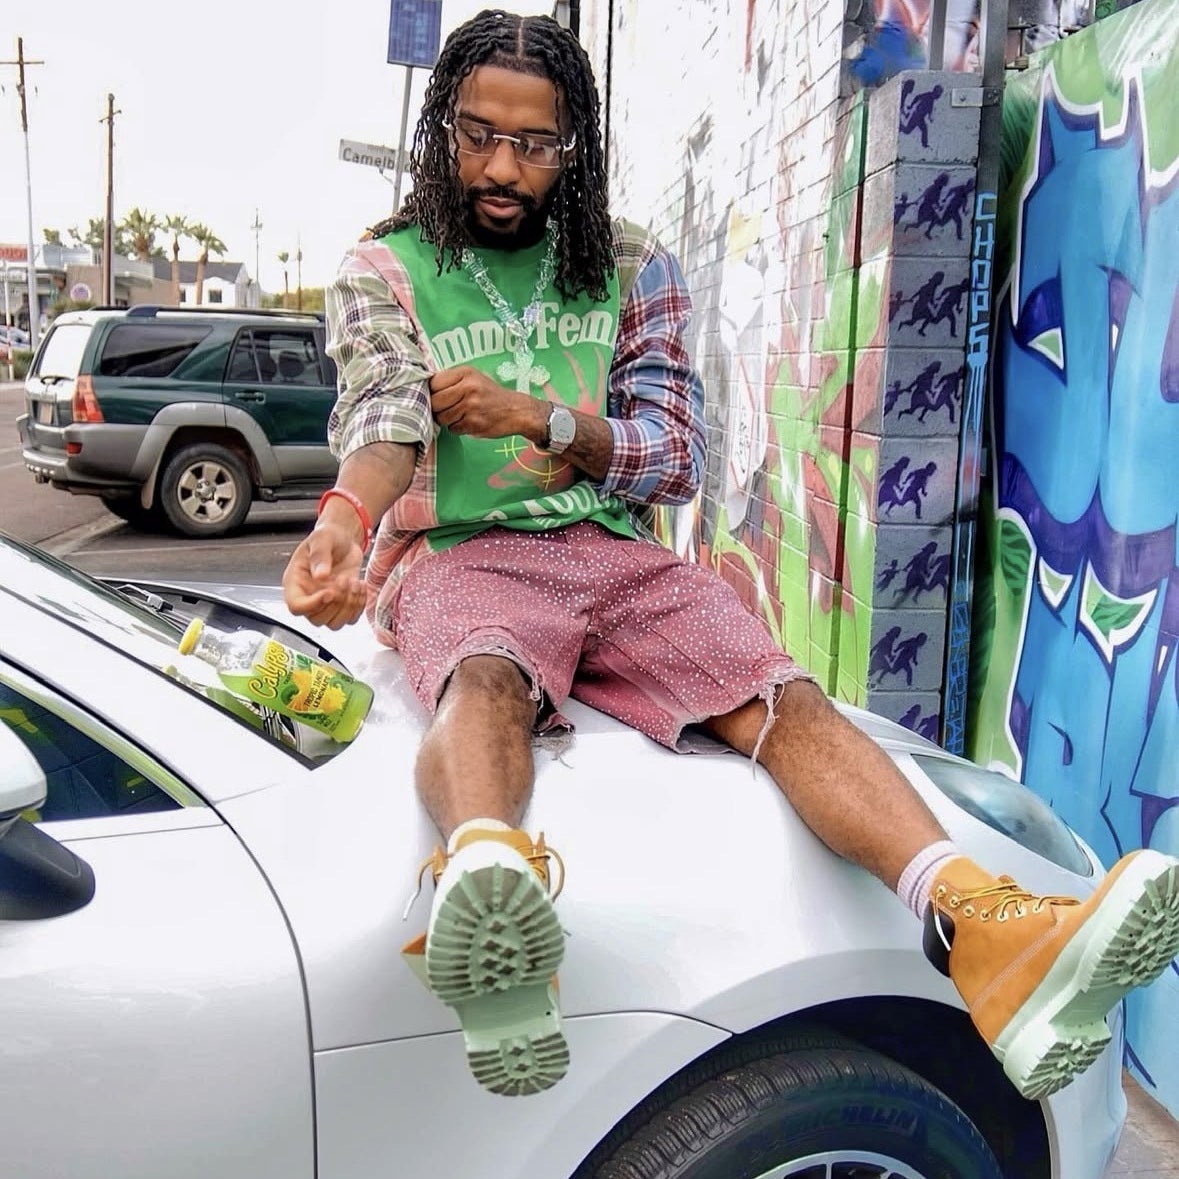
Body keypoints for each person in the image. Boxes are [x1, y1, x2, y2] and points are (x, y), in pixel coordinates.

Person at [282, 8, 1179, 1100]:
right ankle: (485, 898)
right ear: (442, 131)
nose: (503, 167)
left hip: (615, 556)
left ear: (575, 146)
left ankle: (991, 938)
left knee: (781, 695)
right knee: (484, 672)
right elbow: (385, 416)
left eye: (535, 143)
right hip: (463, 551)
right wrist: (343, 520)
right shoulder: (386, 267)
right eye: (479, 136)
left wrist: (542, 419)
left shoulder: (629, 264)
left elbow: (675, 456)